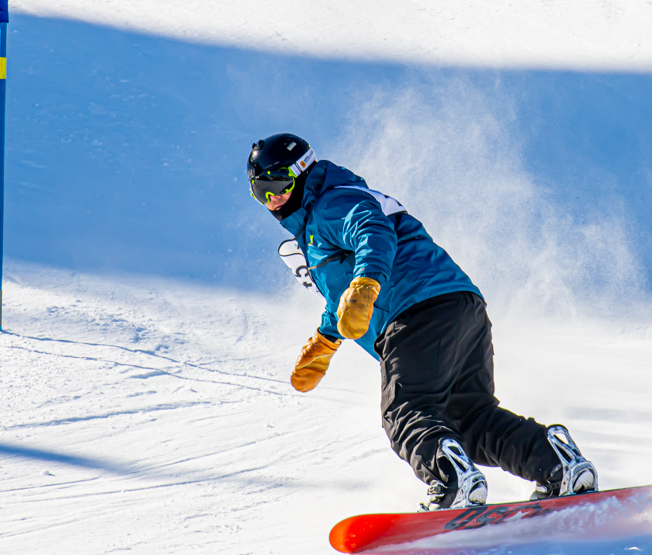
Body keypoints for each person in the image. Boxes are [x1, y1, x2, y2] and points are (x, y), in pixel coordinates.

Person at [248, 133, 598, 510]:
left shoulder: (331, 203)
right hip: (459, 306)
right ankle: (556, 463)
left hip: (415, 313)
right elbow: (342, 297)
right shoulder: (318, 222)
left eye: (279, 184)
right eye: (260, 191)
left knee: (405, 412)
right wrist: (324, 341)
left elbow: (372, 232)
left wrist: (367, 282)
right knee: (469, 418)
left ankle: (451, 482)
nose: (273, 199)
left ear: (302, 173)